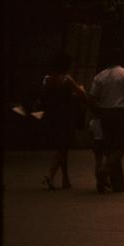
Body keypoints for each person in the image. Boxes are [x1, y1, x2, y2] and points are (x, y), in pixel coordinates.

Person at [88, 53, 124, 193]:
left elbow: (91, 97)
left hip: (104, 113)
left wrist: (98, 109)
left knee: (110, 146)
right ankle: (106, 168)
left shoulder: (100, 76)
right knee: (119, 147)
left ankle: (118, 184)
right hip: (119, 112)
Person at [41, 53, 85, 191]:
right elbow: (81, 94)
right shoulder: (66, 79)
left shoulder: (46, 79)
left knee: (63, 147)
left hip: (51, 115)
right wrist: (81, 89)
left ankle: (65, 178)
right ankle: (50, 173)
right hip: (65, 116)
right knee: (62, 147)